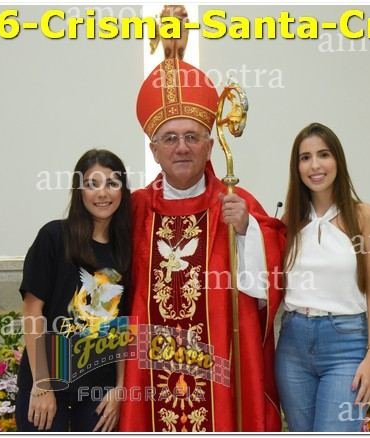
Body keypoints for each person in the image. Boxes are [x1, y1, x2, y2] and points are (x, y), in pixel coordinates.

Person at [118, 57, 285, 431]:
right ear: (154, 150)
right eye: (170, 138)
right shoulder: (136, 209)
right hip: (150, 366)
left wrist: (248, 231)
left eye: (192, 137)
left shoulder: (235, 204)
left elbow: (271, 277)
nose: (181, 147)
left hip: (222, 365)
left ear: (209, 146)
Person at [275, 123, 370, 432]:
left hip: (346, 344)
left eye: (323, 155)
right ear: (297, 167)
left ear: (338, 160)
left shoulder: (365, 216)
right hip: (293, 344)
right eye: (305, 157)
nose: (315, 165)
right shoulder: (290, 221)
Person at [16, 149, 131, 431]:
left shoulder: (125, 250)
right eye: (92, 184)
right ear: (79, 191)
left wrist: (120, 388)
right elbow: (33, 310)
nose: (102, 193)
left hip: (98, 387)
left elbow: (123, 326)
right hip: (49, 376)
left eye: (112, 183)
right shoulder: (54, 237)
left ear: (123, 190)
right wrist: (42, 384)